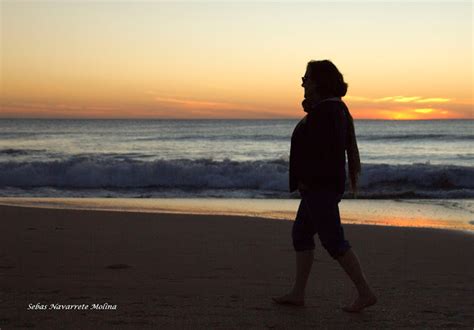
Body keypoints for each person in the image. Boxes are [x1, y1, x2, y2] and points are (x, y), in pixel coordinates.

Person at [272, 60, 377, 312]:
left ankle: (365, 292)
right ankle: (298, 293)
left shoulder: (328, 112)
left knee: (333, 241)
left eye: (306, 77)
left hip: (320, 188)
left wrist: (309, 180)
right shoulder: (327, 110)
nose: (302, 81)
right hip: (316, 188)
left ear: (319, 82)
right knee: (301, 234)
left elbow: (325, 154)